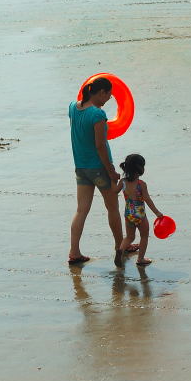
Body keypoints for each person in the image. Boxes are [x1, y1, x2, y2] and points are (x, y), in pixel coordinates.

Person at [68, 76, 123, 265]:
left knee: (81, 210)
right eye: (108, 95)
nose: (108, 99)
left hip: (81, 168)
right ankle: (120, 247)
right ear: (101, 93)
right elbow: (100, 145)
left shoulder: (72, 108)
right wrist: (111, 170)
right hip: (99, 169)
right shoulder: (97, 115)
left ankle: (74, 252)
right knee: (113, 208)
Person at [114, 154, 163, 267]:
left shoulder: (123, 182)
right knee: (144, 236)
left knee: (129, 237)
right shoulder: (141, 184)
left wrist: (113, 180)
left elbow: (115, 191)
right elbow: (147, 199)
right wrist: (157, 212)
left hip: (128, 214)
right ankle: (140, 259)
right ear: (140, 169)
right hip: (140, 215)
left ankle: (120, 250)